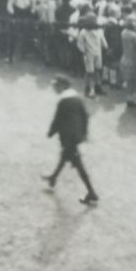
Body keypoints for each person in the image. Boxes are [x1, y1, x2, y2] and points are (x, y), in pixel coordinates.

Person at [45, 76, 98, 205]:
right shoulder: (77, 98)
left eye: (56, 86)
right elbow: (86, 116)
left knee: (78, 165)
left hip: (68, 138)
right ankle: (53, 177)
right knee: (65, 157)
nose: (55, 89)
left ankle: (91, 192)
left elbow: (57, 120)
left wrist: (51, 132)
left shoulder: (63, 101)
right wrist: (84, 132)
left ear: (62, 86)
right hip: (76, 136)